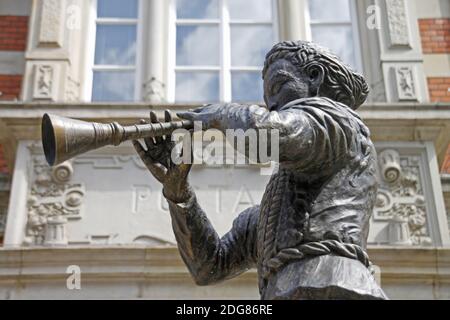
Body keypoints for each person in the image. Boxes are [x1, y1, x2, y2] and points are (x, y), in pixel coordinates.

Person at [133, 41, 388, 299]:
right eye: (268, 101)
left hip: (335, 286)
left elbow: (269, 134)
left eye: (279, 87)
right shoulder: (270, 217)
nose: (273, 105)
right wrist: (179, 193)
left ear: (314, 76)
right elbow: (208, 267)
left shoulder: (337, 121)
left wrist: (221, 113)